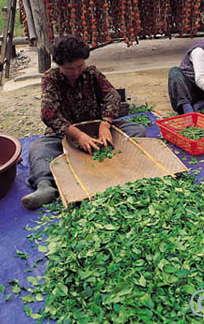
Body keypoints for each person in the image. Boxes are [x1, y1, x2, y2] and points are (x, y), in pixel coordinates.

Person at [22, 34, 146, 209]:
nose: (75, 72)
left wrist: (105, 124)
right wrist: (78, 136)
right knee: (38, 149)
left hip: (96, 130)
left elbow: (112, 95)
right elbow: (48, 113)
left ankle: (110, 164)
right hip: (66, 136)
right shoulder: (50, 79)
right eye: (69, 68)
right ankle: (46, 187)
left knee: (137, 130)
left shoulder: (91, 73)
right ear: (59, 65)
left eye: (80, 66)